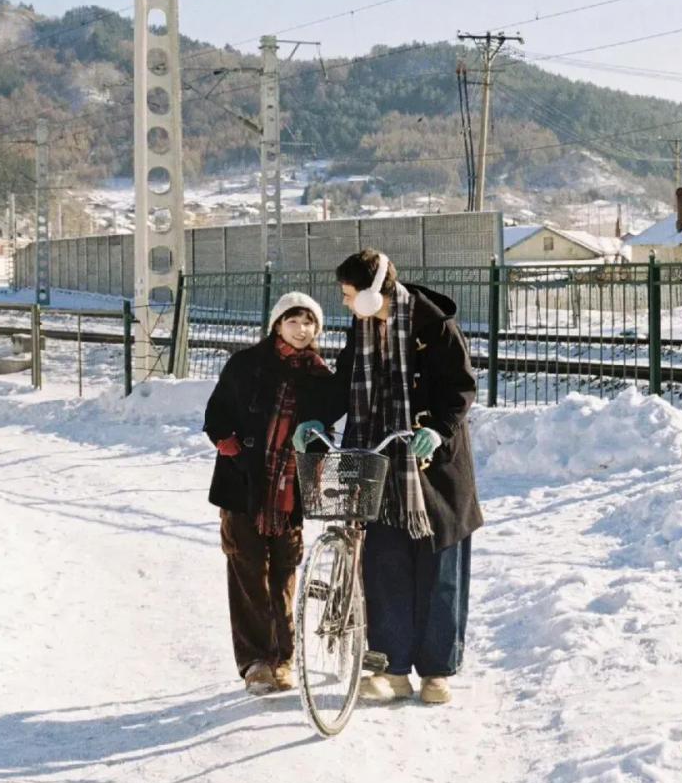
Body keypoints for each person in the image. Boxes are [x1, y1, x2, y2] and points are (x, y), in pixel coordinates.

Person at [332, 248, 483, 706]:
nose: (344, 302)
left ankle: (437, 671)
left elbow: (461, 386)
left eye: (348, 293)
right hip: (379, 461)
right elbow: (343, 382)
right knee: (384, 566)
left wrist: (437, 430)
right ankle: (391, 668)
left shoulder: (434, 326)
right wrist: (316, 418)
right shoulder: (362, 327)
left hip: (431, 466)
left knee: (439, 568)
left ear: (373, 292)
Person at [203, 292, 335, 695]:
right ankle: (256, 662)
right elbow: (216, 413)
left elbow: (324, 428)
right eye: (293, 321)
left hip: (289, 492)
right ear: (277, 325)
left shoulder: (318, 375)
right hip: (243, 485)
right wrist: (229, 445)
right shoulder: (246, 364)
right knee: (247, 572)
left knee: (284, 573)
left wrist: (316, 443)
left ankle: (284, 658)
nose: (301, 329)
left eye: (309, 322)